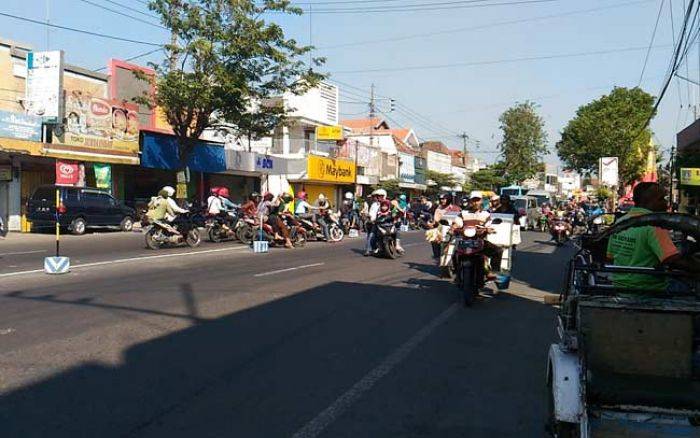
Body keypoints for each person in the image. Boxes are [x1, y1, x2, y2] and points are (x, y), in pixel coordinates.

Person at [607, 182, 698, 293]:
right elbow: (672, 260)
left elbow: (611, 256)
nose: (666, 204)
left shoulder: (620, 222)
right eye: (662, 199)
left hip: (619, 285)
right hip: (650, 288)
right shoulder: (655, 225)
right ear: (648, 202)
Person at [458, 191, 503, 274]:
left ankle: (494, 272)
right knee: (454, 253)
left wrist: (489, 229)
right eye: (473, 200)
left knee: (498, 251)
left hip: (480, 241)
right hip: (464, 241)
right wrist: (453, 228)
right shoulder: (463, 213)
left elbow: (489, 225)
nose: (475, 202)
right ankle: (456, 271)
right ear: (470, 201)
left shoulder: (486, 214)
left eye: (477, 200)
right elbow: (457, 222)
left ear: (481, 201)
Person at [364, 189, 386, 256]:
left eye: (379, 196)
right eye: (377, 196)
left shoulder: (386, 204)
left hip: (383, 222)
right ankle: (369, 250)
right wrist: (368, 216)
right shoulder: (374, 204)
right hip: (374, 223)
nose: (377, 198)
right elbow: (371, 213)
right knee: (371, 235)